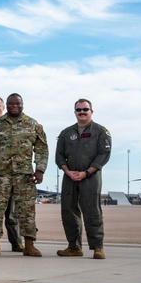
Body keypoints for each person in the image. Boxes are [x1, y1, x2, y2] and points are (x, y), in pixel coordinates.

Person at [0, 93, 48, 257]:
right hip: (0, 174)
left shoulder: (32, 125)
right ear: (7, 105)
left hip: (24, 175)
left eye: (17, 103)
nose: (14, 106)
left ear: (22, 105)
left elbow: (41, 148)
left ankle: (29, 244)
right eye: (11, 103)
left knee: (26, 211)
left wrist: (40, 169)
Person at [55, 99, 111, 259]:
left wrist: (86, 172)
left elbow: (103, 154)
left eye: (85, 109)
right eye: (78, 110)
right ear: (75, 112)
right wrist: (67, 171)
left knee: (92, 211)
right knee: (68, 211)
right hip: (69, 177)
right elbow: (59, 155)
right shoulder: (66, 133)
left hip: (90, 177)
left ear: (91, 111)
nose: (82, 112)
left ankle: (97, 247)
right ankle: (74, 247)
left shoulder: (101, 132)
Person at [0, 96, 22, 251]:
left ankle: (17, 242)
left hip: (16, 174)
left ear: (4, 107)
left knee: (13, 212)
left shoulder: (17, 124)